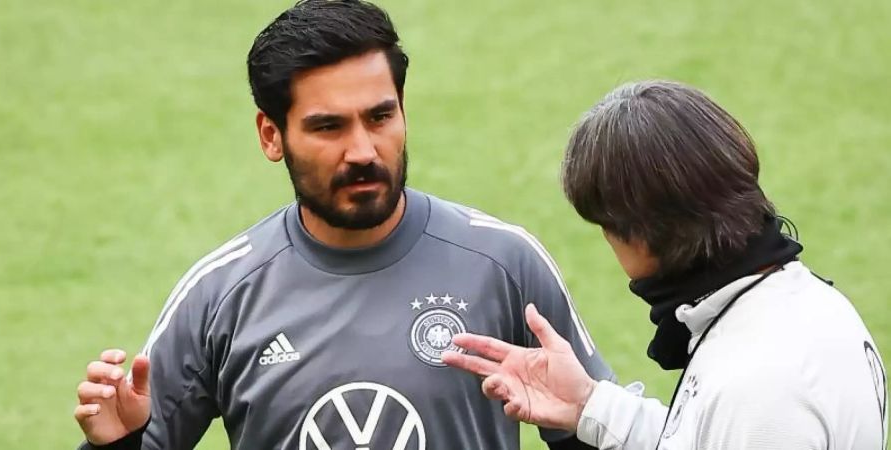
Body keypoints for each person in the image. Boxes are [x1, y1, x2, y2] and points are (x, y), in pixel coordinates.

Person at [72, 1, 615, 449]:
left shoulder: (504, 264)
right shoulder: (220, 294)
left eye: (380, 117)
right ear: (271, 135)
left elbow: (599, 434)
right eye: (328, 126)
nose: (362, 151)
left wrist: (592, 415)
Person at [443, 80, 888, 449]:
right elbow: (707, 437)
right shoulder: (804, 305)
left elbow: (738, 420)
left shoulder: (758, 384)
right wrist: (589, 405)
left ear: (639, 235)